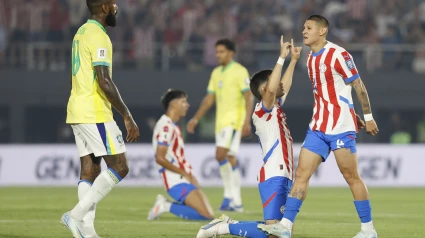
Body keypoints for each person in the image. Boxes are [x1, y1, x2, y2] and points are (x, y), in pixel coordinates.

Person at [258, 15, 379, 238]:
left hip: (341, 127)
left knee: (351, 176)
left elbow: (357, 85)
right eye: (303, 27)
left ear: (322, 31)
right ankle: (285, 225)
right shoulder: (310, 58)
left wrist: (367, 116)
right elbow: (330, 92)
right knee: (302, 174)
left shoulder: (339, 54)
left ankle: (368, 230)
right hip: (318, 127)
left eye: (309, 28)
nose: (304, 31)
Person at [196, 37, 301, 238]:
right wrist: (281, 58)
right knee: (277, 233)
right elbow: (273, 88)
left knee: (282, 232)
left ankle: (227, 225)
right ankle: (222, 228)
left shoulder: (274, 106)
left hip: (285, 175)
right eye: (274, 81)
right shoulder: (263, 110)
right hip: (274, 176)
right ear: (265, 90)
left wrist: (293, 61)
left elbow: (281, 86)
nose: (279, 84)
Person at [60, 0, 140, 237]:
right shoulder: (99, 35)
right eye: (114, 5)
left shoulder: (80, 32)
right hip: (94, 112)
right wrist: (127, 115)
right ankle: (74, 216)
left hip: (77, 108)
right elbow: (104, 80)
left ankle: (87, 230)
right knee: (120, 167)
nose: (116, 8)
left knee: (90, 170)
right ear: (105, 7)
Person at [187, 39, 253, 212]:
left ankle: (230, 197)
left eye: (222, 51)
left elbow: (248, 97)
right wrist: (195, 118)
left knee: (220, 155)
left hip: (234, 122)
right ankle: (234, 200)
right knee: (229, 159)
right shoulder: (216, 73)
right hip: (221, 123)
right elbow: (209, 98)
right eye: (216, 52)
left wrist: (247, 122)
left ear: (231, 53)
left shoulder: (240, 71)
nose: (218, 55)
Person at [148, 89, 214, 221]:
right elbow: (160, 158)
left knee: (208, 215)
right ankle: (165, 206)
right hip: (176, 180)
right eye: (183, 102)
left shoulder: (172, 126)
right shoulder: (165, 127)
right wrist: (184, 174)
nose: (187, 105)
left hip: (183, 177)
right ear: (173, 104)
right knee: (206, 215)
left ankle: (166, 205)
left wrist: (189, 174)